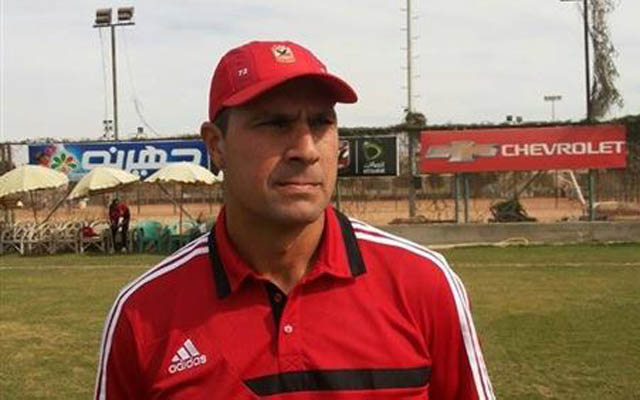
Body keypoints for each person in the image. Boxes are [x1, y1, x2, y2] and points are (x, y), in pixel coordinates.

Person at [94, 41, 494, 400]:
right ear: (216, 145)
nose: (306, 149)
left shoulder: (424, 284)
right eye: (275, 123)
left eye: (321, 123)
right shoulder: (143, 314)